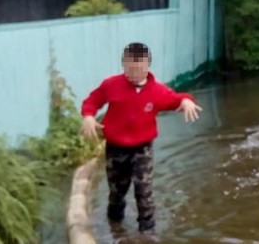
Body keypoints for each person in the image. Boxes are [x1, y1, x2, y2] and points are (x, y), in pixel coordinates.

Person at [80, 42, 202, 233]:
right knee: (117, 193)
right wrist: (88, 116)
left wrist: (186, 101)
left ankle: (147, 232)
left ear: (147, 66)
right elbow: (92, 101)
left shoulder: (157, 91)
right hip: (115, 148)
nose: (135, 71)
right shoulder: (112, 85)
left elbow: (177, 98)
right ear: (124, 65)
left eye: (140, 67)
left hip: (142, 149)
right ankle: (115, 228)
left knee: (143, 191)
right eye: (130, 67)